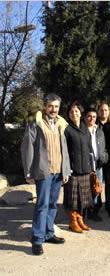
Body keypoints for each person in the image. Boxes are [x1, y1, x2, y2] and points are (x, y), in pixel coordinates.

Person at [21, 93, 70, 256]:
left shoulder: (61, 124)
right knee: (42, 205)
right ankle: (37, 239)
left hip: (57, 172)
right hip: (43, 172)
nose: (53, 109)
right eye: (50, 106)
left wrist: (66, 169)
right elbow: (27, 148)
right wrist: (28, 171)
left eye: (56, 106)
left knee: (53, 204)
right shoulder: (36, 124)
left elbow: (64, 150)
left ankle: (48, 234)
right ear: (45, 106)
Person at [63, 102, 93, 233]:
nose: (74, 113)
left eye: (76, 111)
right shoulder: (66, 129)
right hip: (73, 170)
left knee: (83, 198)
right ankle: (73, 221)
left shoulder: (85, 127)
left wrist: (91, 166)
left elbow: (88, 148)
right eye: (71, 111)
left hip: (85, 169)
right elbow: (64, 150)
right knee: (73, 199)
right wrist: (66, 168)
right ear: (68, 114)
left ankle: (80, 219)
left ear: (81, 113)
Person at [85, 108, 109, 221]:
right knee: (87, 189)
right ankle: (88, 211)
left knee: (97, 188)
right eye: (89, 116)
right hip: (86, 165)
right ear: (85, 117)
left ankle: (95, 210)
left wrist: (104, 157)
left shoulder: (99, 130)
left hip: (98, 165)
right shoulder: (82, 130)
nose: (92, 119)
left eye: (94, 117)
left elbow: (103, 147)